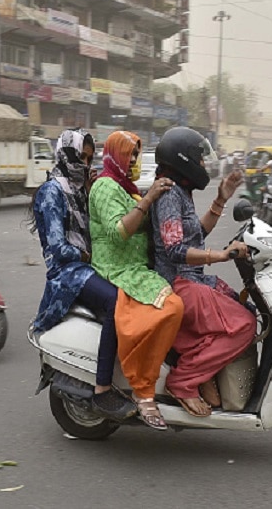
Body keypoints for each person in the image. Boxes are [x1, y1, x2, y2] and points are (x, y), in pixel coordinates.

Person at [29, 128, 137, 421]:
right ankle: (102, 388)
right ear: (66, 156)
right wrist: (85, 255)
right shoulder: (52, 192)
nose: (86, 165)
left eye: (90, 159)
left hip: (87, 264)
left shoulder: (77, 188)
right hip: (68, 272)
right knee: (115, 301)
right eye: (81, 157)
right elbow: (58, 246)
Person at [151, 127, 257, 417]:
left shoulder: (180, 191)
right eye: (199, 160)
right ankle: (184, 380)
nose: (202, 166)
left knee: (239, 303)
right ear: (182, 159)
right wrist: (220, 255)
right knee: (245, 324)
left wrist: (221, 199)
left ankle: (202, 372)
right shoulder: (169, 193)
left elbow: (196, 233)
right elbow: (174, 249)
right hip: (179, 283)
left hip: (191, 278)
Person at [89, 130, 184, 431]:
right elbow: (119, 231)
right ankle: (142, 389)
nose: (133, 160)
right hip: (118, 268)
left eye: (136, 154)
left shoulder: (126, 187)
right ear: (115, 155)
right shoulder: (105, 187)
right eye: (128, 154)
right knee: (171, 308)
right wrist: (150, 197)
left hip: (138, 267)